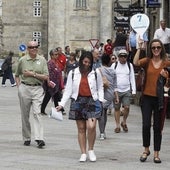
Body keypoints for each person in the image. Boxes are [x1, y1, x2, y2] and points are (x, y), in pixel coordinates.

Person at [56, 51, 104, 162]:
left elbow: (100, 87)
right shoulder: (73, 73)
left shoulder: (96, 72)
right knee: (81, 128)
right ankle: (83, 152)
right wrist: (61, 104)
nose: (87, 64)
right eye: (85, 62)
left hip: (92, 101)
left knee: (91, 126)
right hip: (78, 101)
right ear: (81, 61)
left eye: (89, 62)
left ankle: (91, 149)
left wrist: (101, 101)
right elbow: (68, 90)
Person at [133, 39, 170, 163]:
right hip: (147, 97)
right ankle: (146, 149)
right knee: (146, 125)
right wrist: (139, 48)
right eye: (153, 47)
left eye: (158, 47)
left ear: (161, 48)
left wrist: (166, 77)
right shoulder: (147, 61)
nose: (156, 50)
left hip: (159, 98)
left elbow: (168, 84)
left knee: (157, 127)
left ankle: (156, 153)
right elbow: (135, 62)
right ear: (150, 49)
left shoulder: (166, 63)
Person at [15, 41, 49, 148]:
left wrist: (32, 74)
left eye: (35, 47)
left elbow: (46, 76)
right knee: (25, 114)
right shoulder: (22, 60)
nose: (33, 49)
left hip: (38, 88)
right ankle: (27, 137)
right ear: (27, 49)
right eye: (31, 47)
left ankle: (39, 138)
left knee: (37, 112)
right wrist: (19, 87)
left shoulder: (42, 60)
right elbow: (17, 75)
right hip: (25, 88)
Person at [111, 49, 136, 133]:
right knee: (117, 108)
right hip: (116, 90)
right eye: (121, 56)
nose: (123, 58)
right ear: (118, 57)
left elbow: (132, 78)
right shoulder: (114, 65)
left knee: (127, 107)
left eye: (125, 56)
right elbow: (111, 78)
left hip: (127, 89)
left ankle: (124, 121)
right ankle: (117, 125)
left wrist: (134, 91)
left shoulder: (130, 65)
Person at [98, 53, 119, 140]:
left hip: (101, 93)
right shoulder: (113, 71)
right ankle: (103, 131)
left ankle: (102, 132)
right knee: (104, 112)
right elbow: (115, 86)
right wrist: (116, 97)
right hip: (110, 94)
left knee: (101, 113)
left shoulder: (98, 70)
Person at [41, 49, 63, 115]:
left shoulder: (56, 62)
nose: (57, 56)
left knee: (56, 96)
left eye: (57, 54)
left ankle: (59, 109)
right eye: (55, 54)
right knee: (48, 97)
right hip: (51, 84)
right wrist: (48, 82)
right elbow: (47, 73)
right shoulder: (50, 63)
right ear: (51, 56)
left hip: (56, 84)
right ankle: (42, 110)